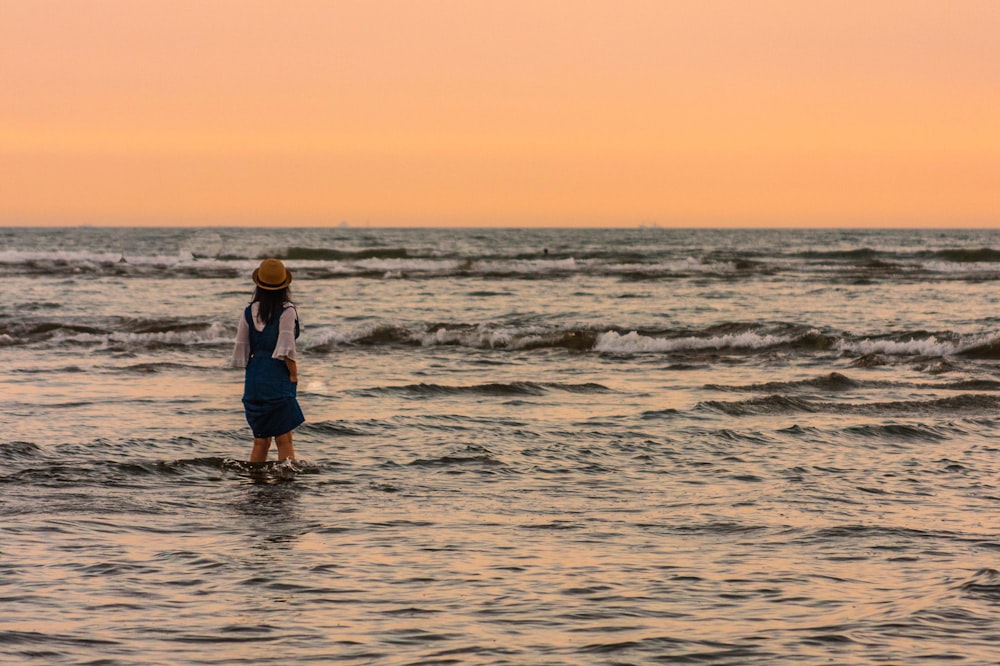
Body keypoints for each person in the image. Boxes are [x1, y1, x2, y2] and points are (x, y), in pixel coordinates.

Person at [230, 258, 304, 462]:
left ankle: (256, 483)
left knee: (260, 440)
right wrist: (294, 374)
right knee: (285, 439)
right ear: (285, 286)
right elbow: (286, 348)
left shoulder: (249, 311)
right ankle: (286, 483)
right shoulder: (287, 310)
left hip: (254, 376)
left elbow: (243, 346)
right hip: (277, 374)